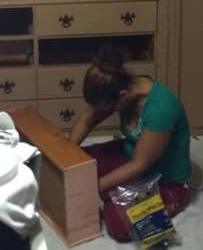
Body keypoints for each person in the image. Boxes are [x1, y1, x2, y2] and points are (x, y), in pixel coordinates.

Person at [69, 42, 191, 242]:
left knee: (119, 223)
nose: (102, 112)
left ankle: (126, 200)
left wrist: (93, 188)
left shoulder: (161, 108)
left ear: (122, 96)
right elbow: (88, 119)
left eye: (106, 108)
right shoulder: (121, 87)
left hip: (163, 179)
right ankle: (116, 192)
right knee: (79, 163)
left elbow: (139, 165)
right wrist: (65, 155)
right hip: (131, 154)